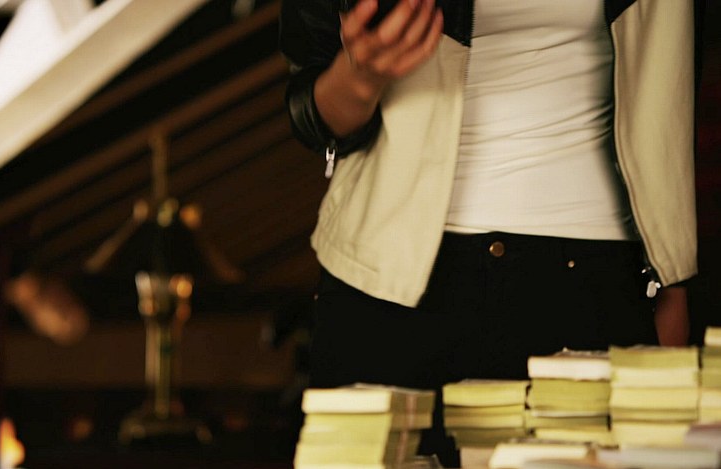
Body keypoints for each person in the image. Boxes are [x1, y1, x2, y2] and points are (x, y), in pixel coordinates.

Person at [280, 0, 698, 464]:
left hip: (596, 285)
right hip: (393, 284)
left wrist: (674, 276)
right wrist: (359, 79)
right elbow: (309, 111)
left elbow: (673, 87)